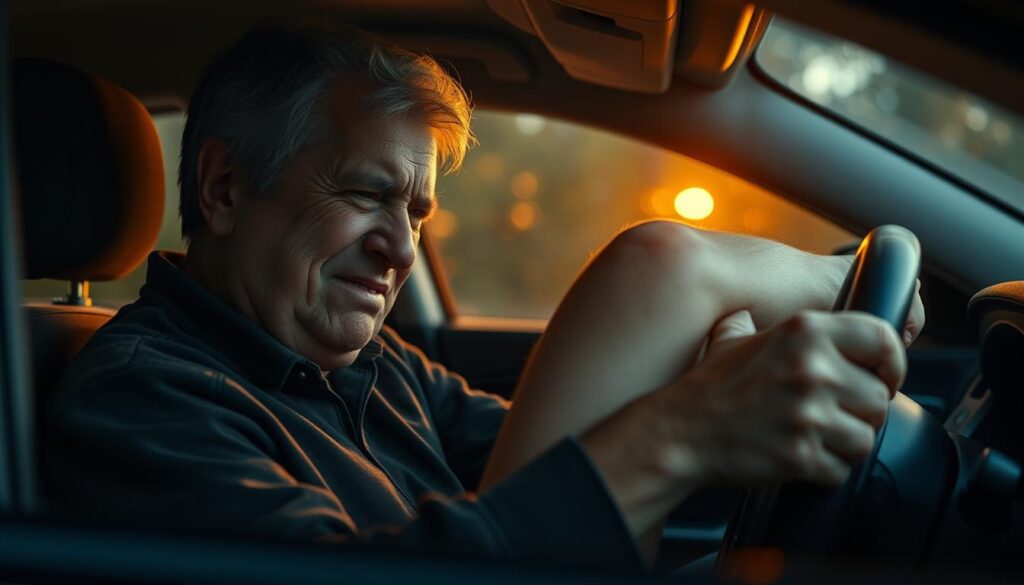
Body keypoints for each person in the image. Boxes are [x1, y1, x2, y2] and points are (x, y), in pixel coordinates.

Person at [46, 23, 924, 571]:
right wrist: (683, 429)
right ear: (226, 190)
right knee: (649, 268)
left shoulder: (371, 367)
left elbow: (547, 460)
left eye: (417, 210)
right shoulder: (138, 399)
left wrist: (707, 389)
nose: (399, 247)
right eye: (363, 194)